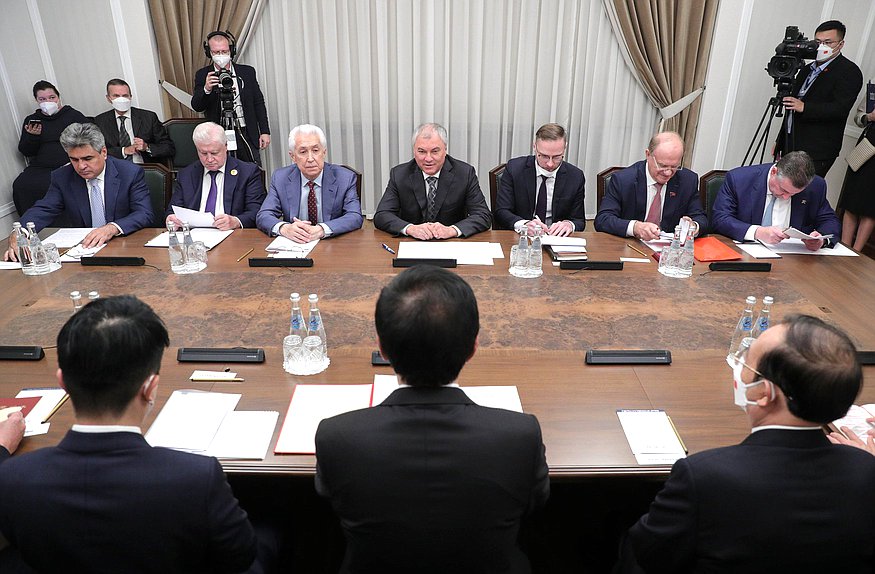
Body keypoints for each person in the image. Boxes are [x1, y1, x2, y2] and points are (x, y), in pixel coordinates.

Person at [315, 265, 549, 573]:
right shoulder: (520, 435)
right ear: (473, 347)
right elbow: (535, 506)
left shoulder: (337, 436)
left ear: (382, 349)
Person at [0, 295, 257, 573]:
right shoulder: (197, 477)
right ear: (150, 387)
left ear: (62, 381)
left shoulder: (13, 477)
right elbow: (240, 556)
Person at [620, 314, 875, 573]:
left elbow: (647, 555)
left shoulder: (703, 476)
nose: (739, 368)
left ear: (763, 393)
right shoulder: (866, 469)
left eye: (746, 361)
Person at [4, 123, 153, 262]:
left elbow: (144, 213)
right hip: (84, 252)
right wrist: (20, 232)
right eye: (74, 159)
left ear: (104, 152)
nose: (81, 166)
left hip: (125, 247)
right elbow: (44, 208)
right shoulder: (62, 176)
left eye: (88, 158)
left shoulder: (129, 173)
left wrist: (111, 228)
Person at [774, 20, 863, 177]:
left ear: (841, 44)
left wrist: (805, 107)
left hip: (817, 150)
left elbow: (840, 109)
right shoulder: (805, 69)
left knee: (803, 196)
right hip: (790, 143)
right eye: (818, 42)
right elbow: (790, 105)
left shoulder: (849, 71)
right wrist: (780, 141)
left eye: (828, 42)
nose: (821, 46)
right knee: (781, 190)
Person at [373, 123, 492, 239]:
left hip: (451, 242)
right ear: (414, 151)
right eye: (422, 151)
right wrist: (410, 228)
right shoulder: (399, 174)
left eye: (435, 151)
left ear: (445, 150)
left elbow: (483, 215)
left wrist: (452, 230)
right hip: (411, 243)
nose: (428, 158)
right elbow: (382, 215)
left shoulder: (464, 173)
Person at [711, 150, 840, 250]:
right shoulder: (739, 180)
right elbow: (720, 219)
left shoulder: (816, 186)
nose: (786, 197)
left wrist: (821, 239)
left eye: (793, 194)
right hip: (744, 255)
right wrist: (757, 232)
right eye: (783, 190)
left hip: (794, 263)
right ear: (774, 171)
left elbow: (830, 221)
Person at [256, 124, 363, 242]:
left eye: (316, 150)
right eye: (303, 152)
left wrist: (322, 229)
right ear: (293, 156)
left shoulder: (345, 178)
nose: (311, 158)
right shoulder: (281, 178)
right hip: (295, 244)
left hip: (332, 243)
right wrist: (284, 228)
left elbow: (354, 216)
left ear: (324, 152)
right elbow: (264, 215)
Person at [594, 131, 707, 240]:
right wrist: (635, 227)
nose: (668, 172)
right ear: (648, 155)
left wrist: (693, 227)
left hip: (669, 250)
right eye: (662, 165)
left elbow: (701, 218)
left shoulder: (688, 181)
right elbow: (603, 219)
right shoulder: (623, 180)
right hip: (631, 247)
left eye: (674, 166)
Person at [166, 122, 265, 230]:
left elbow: (257, 210)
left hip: (232, 236)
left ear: (226, 146)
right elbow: (174, 209)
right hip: (194, 237)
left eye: (214, 153)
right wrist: (171, 218)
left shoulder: (247, 172)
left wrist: (236, 221)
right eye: (203, 153)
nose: (209, 159)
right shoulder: (186, 174)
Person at [192, 31, 270, 165]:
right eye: (216, 52)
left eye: (224, 51)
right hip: (218, 135)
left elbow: (258, 102)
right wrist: (207, 89)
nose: (221, 55)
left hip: (246, 131)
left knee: (253, 171)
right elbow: (197, 106)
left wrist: (264, 131)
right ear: (209, 53)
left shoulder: (247, 72)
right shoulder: (203, 75)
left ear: (231, 51)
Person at [493, 122, 585, 235]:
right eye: (544, 156)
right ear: (535, 147)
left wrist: (569, 224)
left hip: (556, 239)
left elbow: (579, 220)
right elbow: (501, 212)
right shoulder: (515, 169)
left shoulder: (575, 176)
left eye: (556, 157)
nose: (550, 164)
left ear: (565, 148)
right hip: (522, 238)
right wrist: (524, 225)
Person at [12, 80, 87, 215]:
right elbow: (26, 151)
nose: (48, 101)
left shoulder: (72, 115)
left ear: (58, 98)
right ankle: (31, 224)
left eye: (51, 97)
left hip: (68, 162)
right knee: (21, 184)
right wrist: (32, 137)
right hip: (41, 166)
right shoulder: (32, 120)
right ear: (37, 101)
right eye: (42, 99)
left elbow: (90, 137)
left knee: (57, 182)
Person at [93, 78, 175, 164]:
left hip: (145, 167)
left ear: (130, 97)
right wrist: (124, 151)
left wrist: (147, 147)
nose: (121, 99)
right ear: (108, 98)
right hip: (116, 168)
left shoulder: (148, 117)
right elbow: (97, 151)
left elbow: (168, 147)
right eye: (116, 96)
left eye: (125, 95)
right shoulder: (100, 121)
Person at [837, 109, 875, 251]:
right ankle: (843, 247)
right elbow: (859, 117)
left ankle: (856, 253)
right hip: (866, 147)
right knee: (851, 200)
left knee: (871, 207)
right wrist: (870, 116)